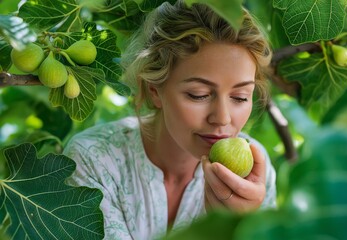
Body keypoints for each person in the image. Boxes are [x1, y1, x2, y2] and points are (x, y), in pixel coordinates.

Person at [63, 1, 277, 239]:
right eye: (199, 95)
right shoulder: (93, 159)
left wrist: (245, 227)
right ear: (155, 90)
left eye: (240, 97)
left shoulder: (255, 175)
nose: (222, 118)